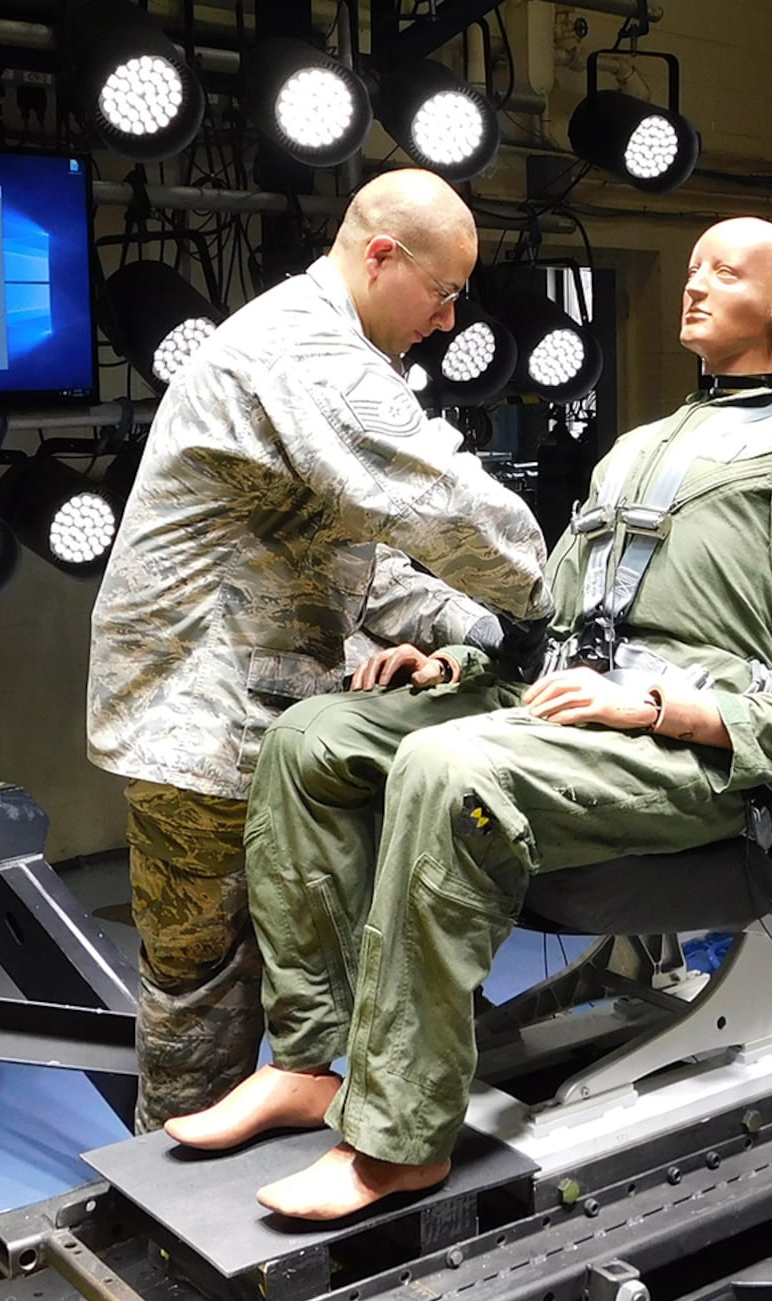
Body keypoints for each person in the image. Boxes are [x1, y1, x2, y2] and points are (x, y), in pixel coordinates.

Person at [166, 216, 772, 1219]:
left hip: (699, 773)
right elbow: (554, 628)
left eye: (722, 274)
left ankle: (396, 1140)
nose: (691, 287)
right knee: (315, 738)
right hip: (572, 719)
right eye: (688, 269)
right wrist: (457, 657)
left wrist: (657, 705)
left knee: (451, 765)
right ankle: (305, 1061)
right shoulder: (631, 456)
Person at [86, 169, 551, 1134]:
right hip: (199, 726)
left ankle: (256, 1149)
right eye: (443, 292)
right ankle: (180, 1222)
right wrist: (564, 601)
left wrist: (484, 631)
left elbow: (369, 566)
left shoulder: (322, 353)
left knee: (266, 974)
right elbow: (438, 499)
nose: (449, 320)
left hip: (253, 717)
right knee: (202, 1004)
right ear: (382, 256)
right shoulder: (305, 347)